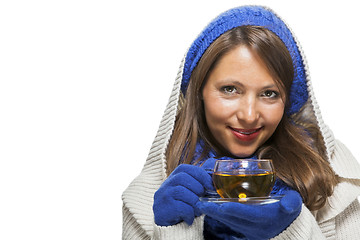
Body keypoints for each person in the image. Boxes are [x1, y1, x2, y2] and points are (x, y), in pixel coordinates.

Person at [122, 5, 360, 239]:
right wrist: (173, 230)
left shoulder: (334, 178)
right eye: (230, 89)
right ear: (199, 92)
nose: (248, 115)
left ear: (287, 100)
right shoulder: (148, 196)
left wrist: (292, 230)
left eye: (269, 93)